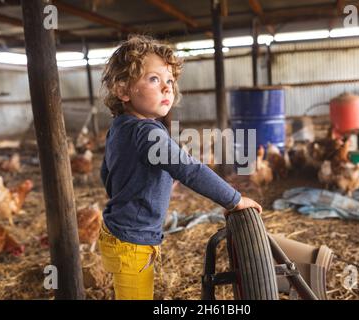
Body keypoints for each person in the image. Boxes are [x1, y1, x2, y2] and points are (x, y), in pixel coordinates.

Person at [99, 35, 262, 300]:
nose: (167, 89)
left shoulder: (120, 127)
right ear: (123, 90)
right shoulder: (147, 133)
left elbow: (106, 173)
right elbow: (190, 170)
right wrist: (234, 199)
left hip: (116, 231)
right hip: (132, 243)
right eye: (154, 79)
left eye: (170, 81)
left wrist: (128, 196)